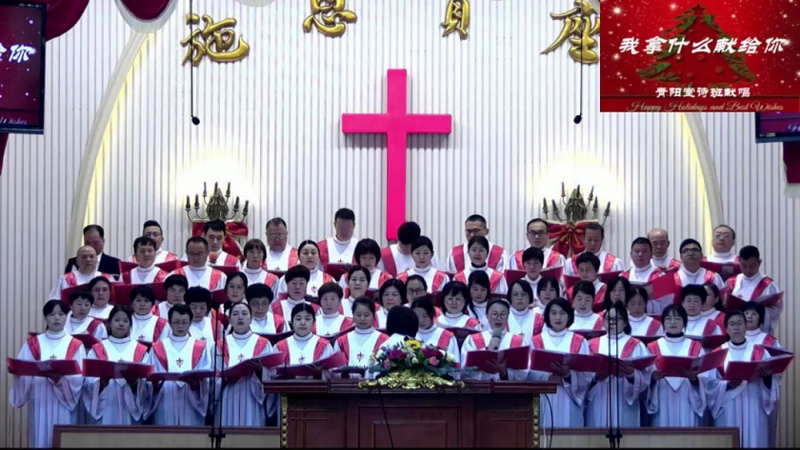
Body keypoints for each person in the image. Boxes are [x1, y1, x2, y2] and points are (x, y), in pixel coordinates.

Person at [9, 300, 85, 448]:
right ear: (45, 317)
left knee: (62, 439)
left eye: (61, 314)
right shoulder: (33, 343)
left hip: (63, 401)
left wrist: (60, 380)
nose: (56, 318)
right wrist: (18, 371)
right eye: (52, 314)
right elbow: (24, 371)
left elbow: (78, 377)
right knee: (40, 437)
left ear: (67, 316)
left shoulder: (75, 344)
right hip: (40, 398)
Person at [708, 310, 780, 448]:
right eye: (732, 324)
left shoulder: (760, 352)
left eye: (740, 323)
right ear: (726, 329)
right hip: (727, 407)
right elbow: (709, 386)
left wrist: (767, 378)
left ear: (745, 327)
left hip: (754, 405)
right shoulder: (717, 354)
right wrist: (727, 385)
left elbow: (771, 383)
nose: (736, 327)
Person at [646, 304, 715, 427]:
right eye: (668, 319)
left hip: (688, 397)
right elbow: (645, 375)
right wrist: (652, 379)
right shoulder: (652, 347)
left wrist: (695, 379)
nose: (673, 322)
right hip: (661, 396)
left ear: (684, 322)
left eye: (677, 318)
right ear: (663, 323)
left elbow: (707, 377)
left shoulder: (696, 347)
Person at [83, 305, 152, 425]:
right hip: (106, 403)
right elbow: (87, 380)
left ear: (130, 325)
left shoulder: (139, 350)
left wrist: (134, 383)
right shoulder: (98, 349)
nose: (121, 324)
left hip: (130, 406)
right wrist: (101, 383)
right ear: (109, 323)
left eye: (125, 321)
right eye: (117, 320)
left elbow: (148, 381)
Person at [585, 301, 650, 427]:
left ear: (625, 322)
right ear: (603, 322)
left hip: (624, 400)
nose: (612, 322)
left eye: (617, 319)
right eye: (608, 319)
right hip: (599, 397)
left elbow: (646, 379)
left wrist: (631, 375)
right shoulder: (591, 344)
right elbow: (582, 376)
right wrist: (596, 377)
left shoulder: (636, 345)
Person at [528, 298, 590, 427]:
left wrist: (567, 375)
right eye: (553, 313)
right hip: (545, 397)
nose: (558, 317)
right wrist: (548, 377)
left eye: (562, 313)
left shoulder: (579, 341)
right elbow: (528, 373)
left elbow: (587, 375)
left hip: (570, 398)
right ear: (547, 316)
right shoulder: (536, 341)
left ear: (569, 316)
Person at [147, 304, 211, 426]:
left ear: (191, 322)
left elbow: (206, 377)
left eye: (184, 322)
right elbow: (149, 379)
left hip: (191, 402)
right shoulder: (158, 347)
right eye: (176, 322)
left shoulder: (200, 347)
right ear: (169, 323)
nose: (180, 326)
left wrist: (196, 384)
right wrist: (155, 385)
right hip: (165, 399)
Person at [215, 302, 274, 427]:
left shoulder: (262, 343)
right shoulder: (220, 345)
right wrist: (225, 379)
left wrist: (259, 370)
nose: (240, 317)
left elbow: (271, 374)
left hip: (253, 396)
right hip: (228, 394)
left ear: (251, 318)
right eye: (235, 314)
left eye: (244, 313)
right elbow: (214, 375)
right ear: (230, 319)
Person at [460, 299, 527, 380]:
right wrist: (487, 351)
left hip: (508, 390)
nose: (498, 318)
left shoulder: (519, 342)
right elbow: (465, 371)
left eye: (503, 314)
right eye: (494, 314)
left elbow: (524, 373)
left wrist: (504, 372)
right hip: (480, 389)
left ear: (508, 316)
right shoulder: (472, 340)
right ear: (487, 315)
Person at [725, 245, 781, 334]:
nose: (747, 269)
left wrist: (758, 311)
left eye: (752, 266)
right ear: (739, 261)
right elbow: (725, 307)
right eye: (744, 265)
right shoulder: (732, 282)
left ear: (759, 262)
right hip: (736, 331)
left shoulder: (769, 285)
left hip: (759, 332)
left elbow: (775, 311)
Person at [333, 298, 389, 369]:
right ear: (353, 315)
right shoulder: (341, 341)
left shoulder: (384, 340)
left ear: (373, 316)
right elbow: (335, 369)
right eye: (358, 315)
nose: (362, 318)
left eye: (366, 315)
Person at [622, 237, 670, 313]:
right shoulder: (622, 277)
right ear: (631, 254)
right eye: (637, 251)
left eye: (644, 251)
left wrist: (642, 305)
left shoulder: (661, 277)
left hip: (650, 320)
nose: (640, 254)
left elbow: (666, 305)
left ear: (651, 254)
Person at [413, 297, 460, 367]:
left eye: (424, 316)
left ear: (432, 314)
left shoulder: (446, 336)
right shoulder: (410, 335)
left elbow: (455, 364)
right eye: (416, 317)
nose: (420, 321)